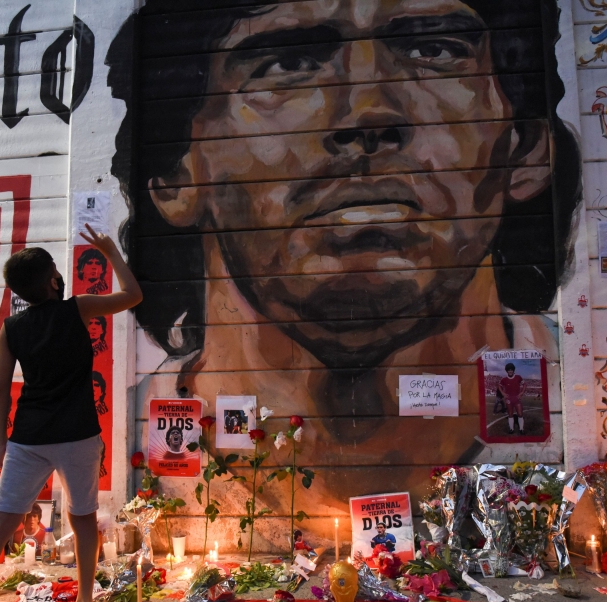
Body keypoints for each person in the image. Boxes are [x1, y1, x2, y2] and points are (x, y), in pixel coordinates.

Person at [109, 0, 580, 505]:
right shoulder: (127, 440)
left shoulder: (573, 404)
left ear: (527, 148)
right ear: (178, 172)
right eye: (287, 64)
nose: (367, 113)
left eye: (433, 49)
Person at [0, 224, 142, 602]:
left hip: (28, 435)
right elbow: (133, 296)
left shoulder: (12, 328)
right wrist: (109, 252)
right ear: (53, 280)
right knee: (83, 518)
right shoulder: (79, 308)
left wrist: (2, 443)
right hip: (78, 433)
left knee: (0, 521)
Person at [497, 362, 527, 435]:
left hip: (517, 398)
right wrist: (503, 393)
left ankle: (521, 429)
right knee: (510, 414)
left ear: (513, 370)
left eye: (511, 370)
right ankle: (511, 429)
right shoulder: (504, 379)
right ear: (507, 370)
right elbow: (499, 386)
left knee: (520, 414)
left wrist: (522, 392)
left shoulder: (518, 377)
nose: (510, 371)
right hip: (509, 399)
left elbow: (525, 384)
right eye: (509, 370)